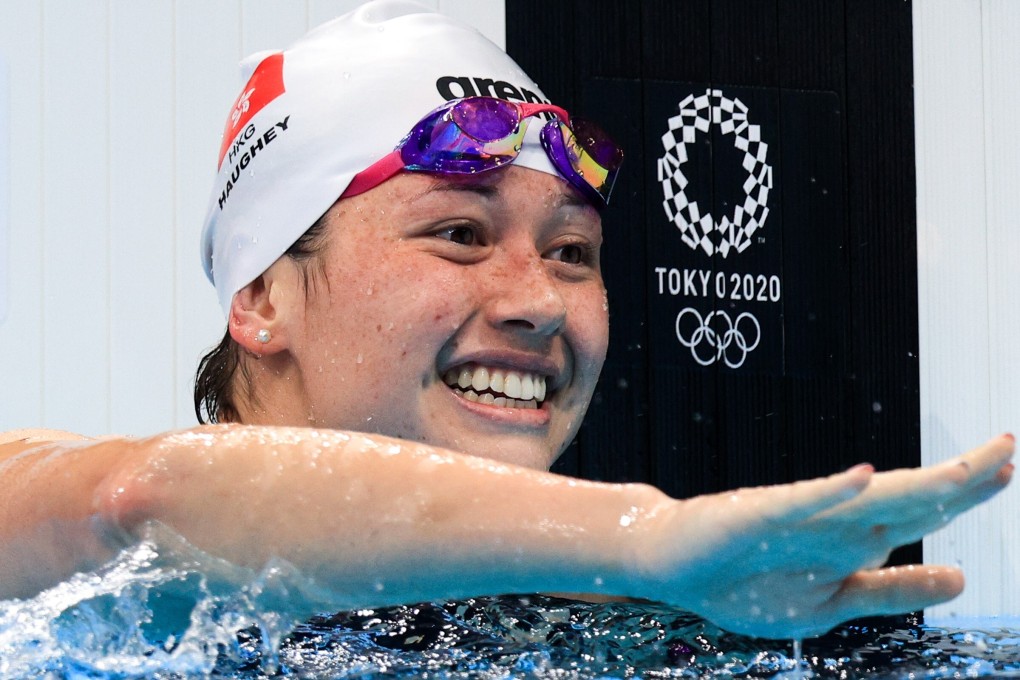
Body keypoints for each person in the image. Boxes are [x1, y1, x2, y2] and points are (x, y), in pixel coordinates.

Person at [0, 0, 1012, 640]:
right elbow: (150, 499)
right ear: (263, 295)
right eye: (458, 233)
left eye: (573, 253)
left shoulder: (624, 620)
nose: (537, 301)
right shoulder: (46, 528)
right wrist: (643, 533)